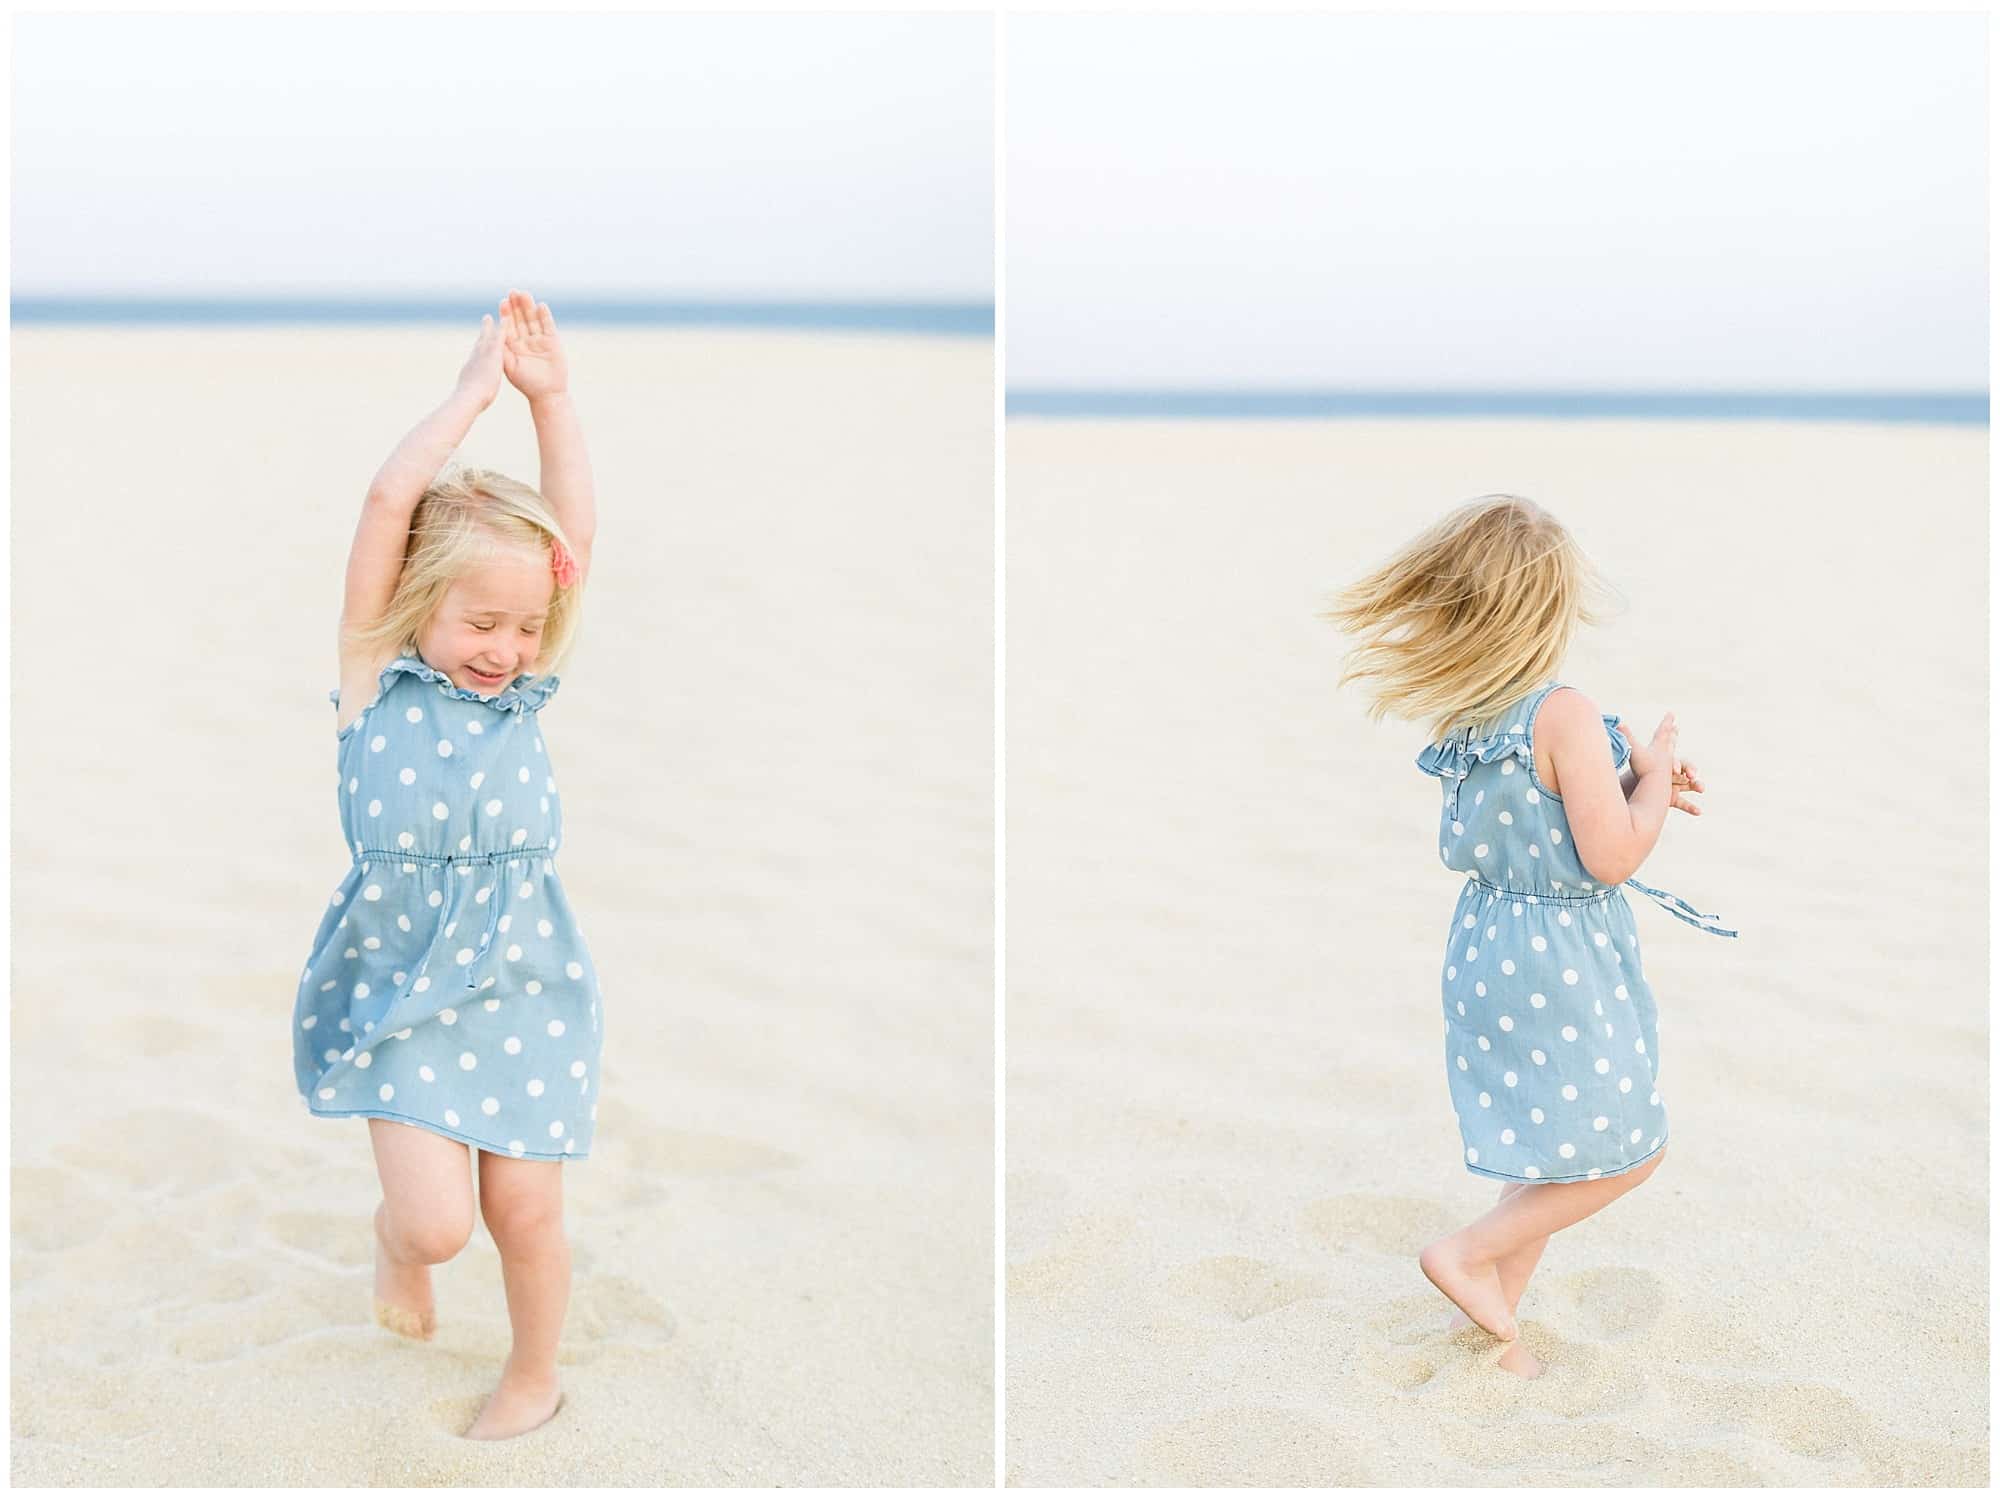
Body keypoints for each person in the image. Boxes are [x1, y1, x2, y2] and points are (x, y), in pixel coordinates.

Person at [1325, 494, 1735, 1379]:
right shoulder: (1565, 711)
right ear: (1550, 607)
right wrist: (1654, 781)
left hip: (1487, 944)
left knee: (1551, 1142)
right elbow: (1613, 854)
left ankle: (1498, 1314)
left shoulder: (1470, 710)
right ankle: (1468, 1254)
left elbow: (1548, 804)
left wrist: (1634, 773)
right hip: (1563, 956)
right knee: (1629, 1148)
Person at [291, 290, 601, 1437]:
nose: (504, 648)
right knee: (434, 1225)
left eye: (524, 629)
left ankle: (534, 1370)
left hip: (525, 975)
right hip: (403, 982)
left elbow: (569, 536)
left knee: (525, 1204)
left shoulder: (523, 698)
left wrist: (551, 401)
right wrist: (474, 396)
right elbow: (385, 503)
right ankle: (394, 1248)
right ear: (420, 604)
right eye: (480, 622)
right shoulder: (373, 681)